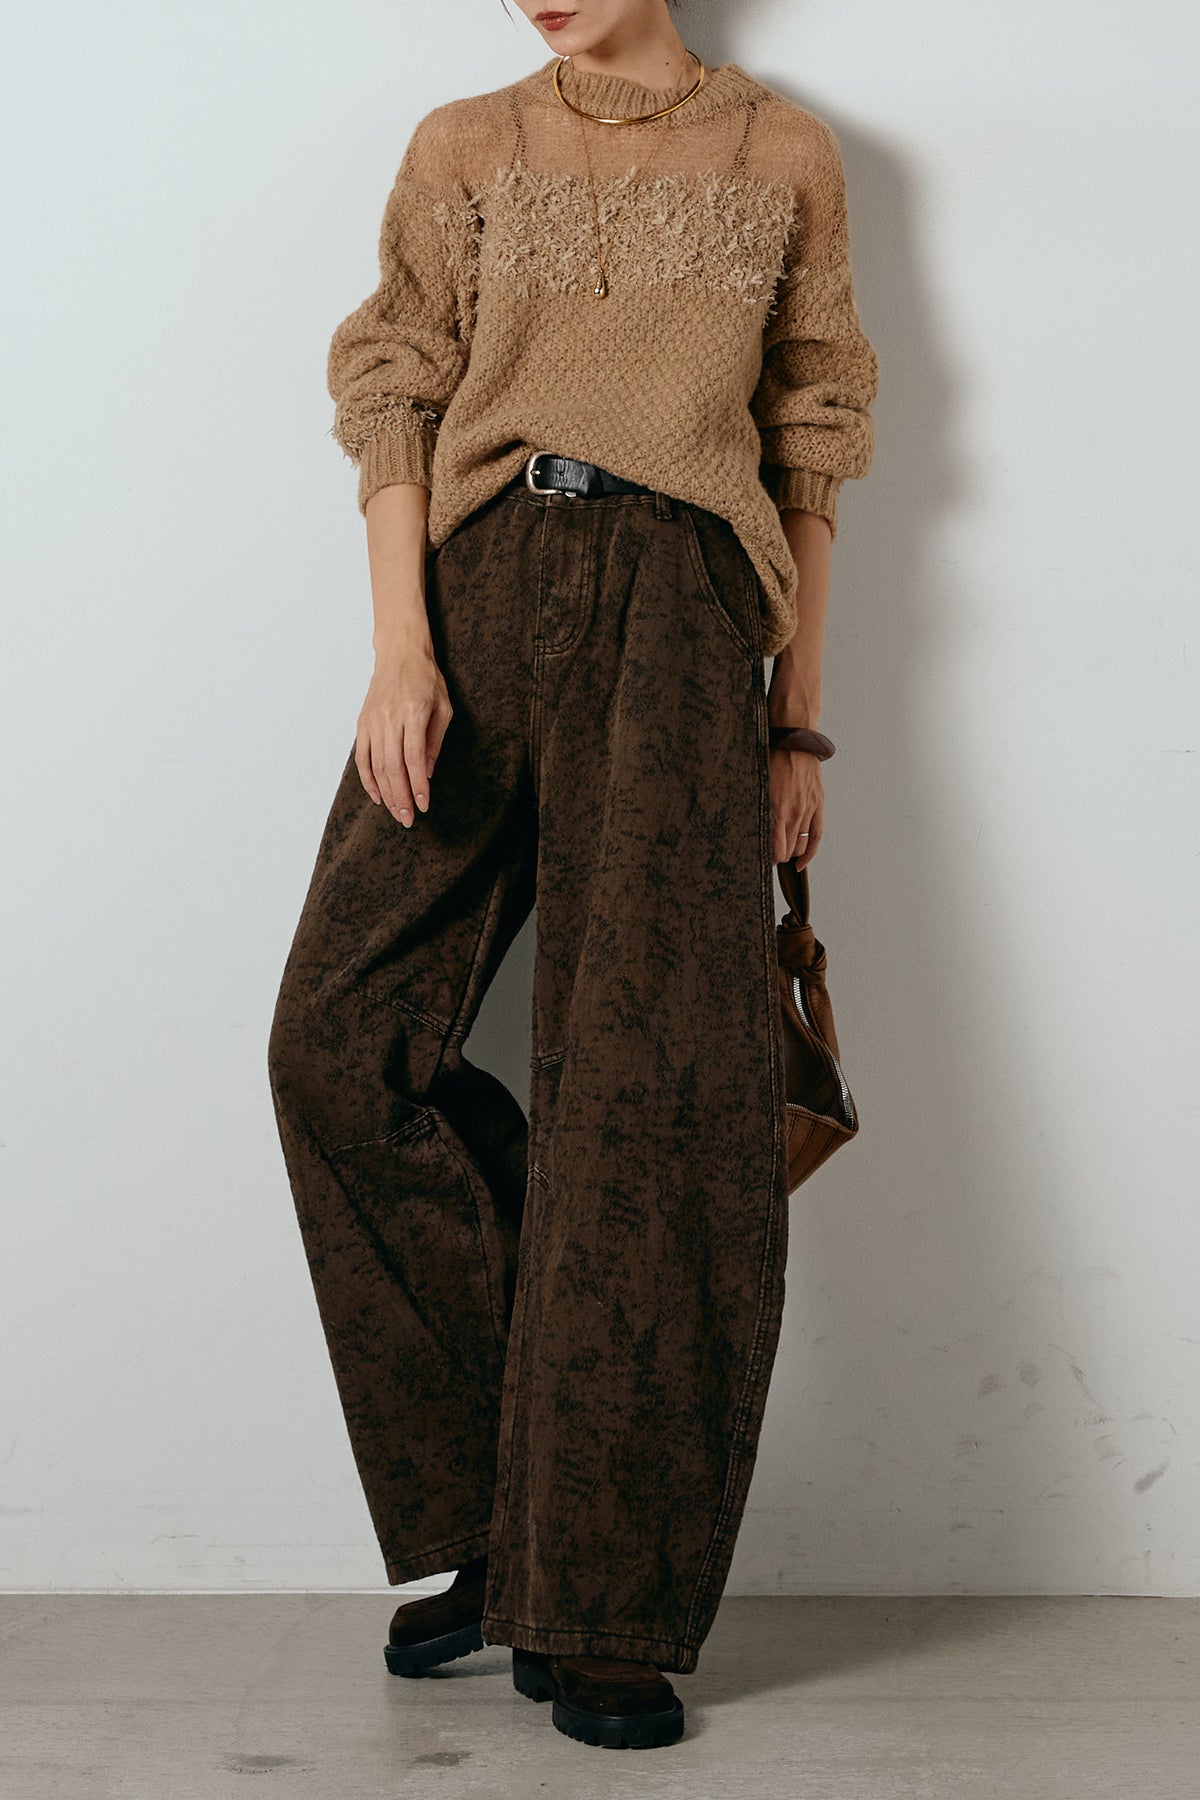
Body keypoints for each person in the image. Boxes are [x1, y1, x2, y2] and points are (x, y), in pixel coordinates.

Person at [267, 0, 878, 1753]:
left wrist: (796, 723)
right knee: (341, 1046)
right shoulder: (467, 140)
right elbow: (394, 382)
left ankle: (598, 1600)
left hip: (684, 611)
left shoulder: (782, 154)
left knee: (650, 1105)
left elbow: (816, 426)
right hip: (476, 597)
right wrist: (401, 648)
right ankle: (504, 1514)